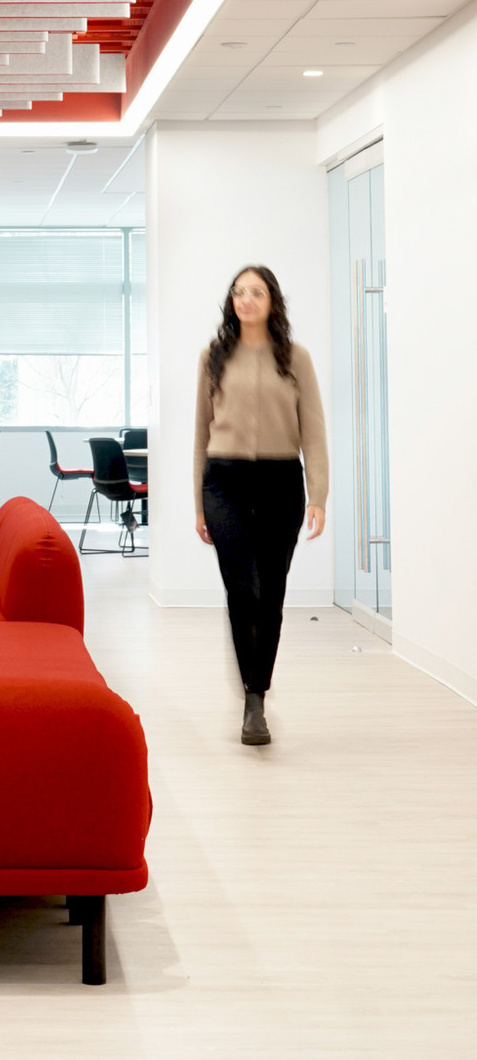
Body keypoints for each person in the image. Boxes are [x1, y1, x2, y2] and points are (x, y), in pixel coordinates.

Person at [194, 266, 328, 747]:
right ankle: (252, 699)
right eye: (238, 292)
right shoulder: (214, 357)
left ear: (273, 301)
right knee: (242, 591)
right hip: (224, 482)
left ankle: (257, 695)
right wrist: (197, 504)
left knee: (270, 595)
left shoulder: (296, 359)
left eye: (256, 292)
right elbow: (199, 434)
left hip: (280, 483)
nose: (246, 299)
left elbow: (312, 431)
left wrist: (319, 495)